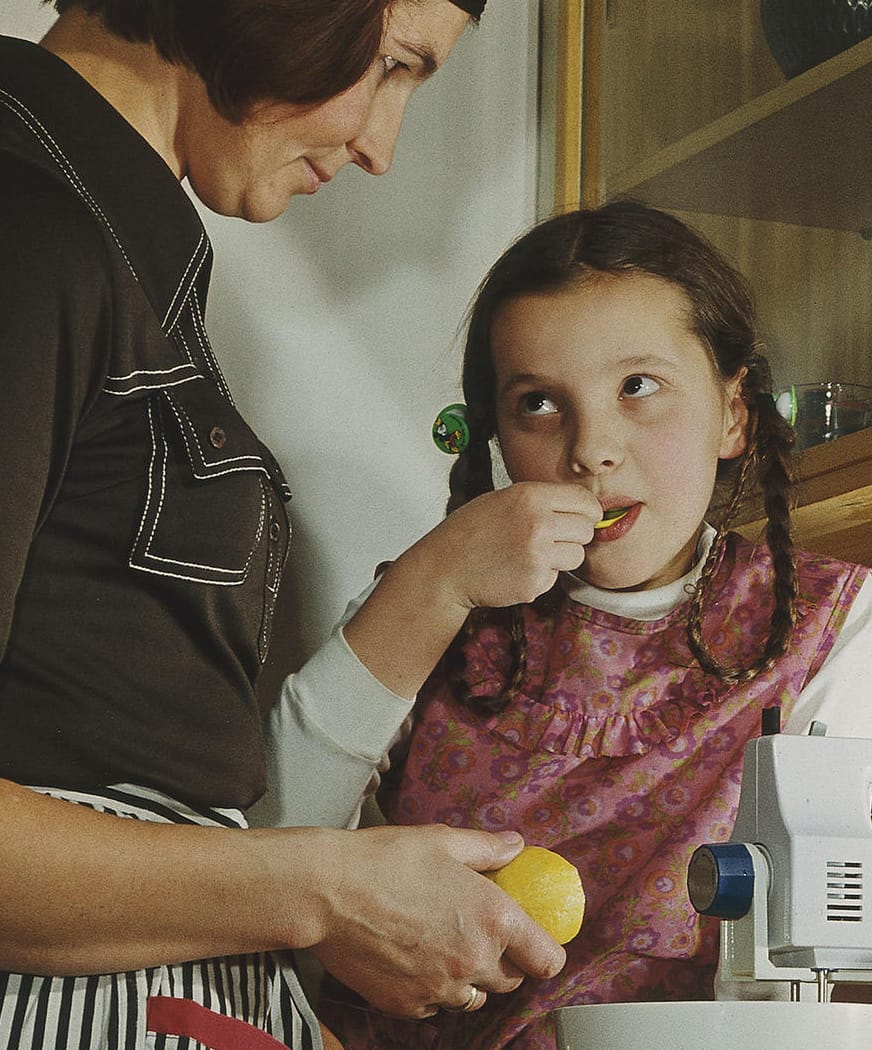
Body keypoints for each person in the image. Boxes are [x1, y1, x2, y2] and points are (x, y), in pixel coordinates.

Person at [0, 2, 572, 1047]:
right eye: (394, 67)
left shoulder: (110, 243)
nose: (381, 149)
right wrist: (324, 889)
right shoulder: (24, 224)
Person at [262, 200, 872, 1049]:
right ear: (498, 439)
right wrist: (437, 578)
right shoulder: (431, 602)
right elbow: (268, 852)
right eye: (538, 404)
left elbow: (815, 937)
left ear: (734, 413)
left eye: (639, 387)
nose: (592, 448)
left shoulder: (819, 618)